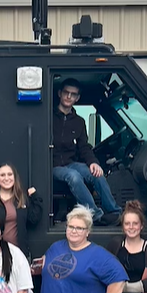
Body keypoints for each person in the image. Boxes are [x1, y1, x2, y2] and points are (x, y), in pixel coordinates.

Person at [52, 78, 121, 226]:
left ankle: (115, 213)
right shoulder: (49, 118)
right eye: (66, 93)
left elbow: (84, 147)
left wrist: (94, 163)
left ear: (77, 98)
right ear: (59, 93)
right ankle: (95, 215)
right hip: (53, 166)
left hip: (71, 163)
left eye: (73, 94)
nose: (69, 97)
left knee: (96, 173)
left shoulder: (79, 122)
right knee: (74, 177)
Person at [0, 163, 42, 255]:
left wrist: (36, 197)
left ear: (15, 177)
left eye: (10, 174)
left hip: (19, 253)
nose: (6, 178)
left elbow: (33, 219)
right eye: (2, 175)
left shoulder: (21, 198)